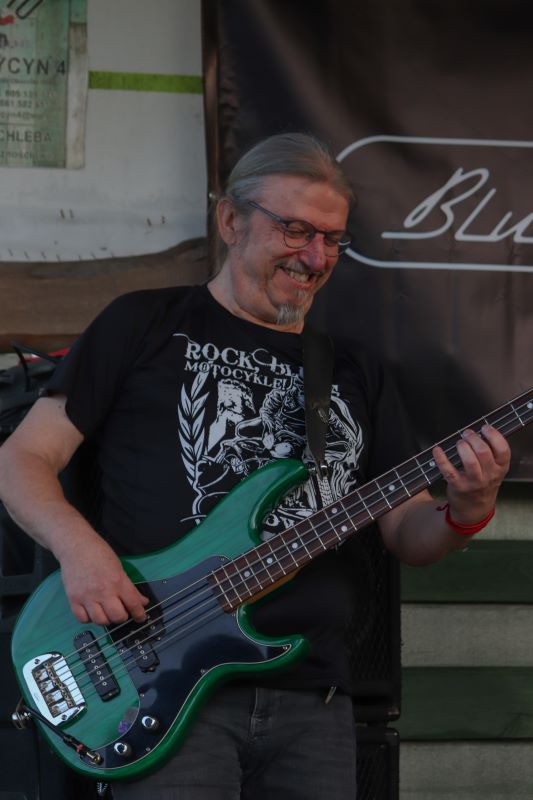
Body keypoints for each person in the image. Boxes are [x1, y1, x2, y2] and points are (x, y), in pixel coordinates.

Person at [0, 133, 510, 799]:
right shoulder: (142, 324)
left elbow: (406, 532)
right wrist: (80, 551)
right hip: (157, 680)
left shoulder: (353, 370)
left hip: (312, 697)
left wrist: (465, 512)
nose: (315, 257)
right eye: (295, 230)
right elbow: (22, 458)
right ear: (230, 220)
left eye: (332, 239)